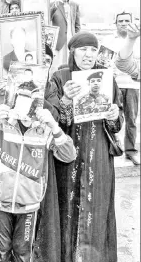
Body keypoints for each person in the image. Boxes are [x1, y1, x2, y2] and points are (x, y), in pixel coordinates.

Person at [0, 92, 75, 262]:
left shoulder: (44, 129)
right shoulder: (2, 125)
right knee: (1, 252)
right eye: (24, 97)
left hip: (29, 203)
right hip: (0, 201)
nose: (29, 102)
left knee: (23, 252)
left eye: (34, 97)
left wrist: (54, 125)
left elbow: (69, 156)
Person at [48, 31, 123, 262]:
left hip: (98, 154)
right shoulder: (60, 78)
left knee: (97, 210)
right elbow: (51, 117)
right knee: (67, 207)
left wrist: (113, 114)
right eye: (83, 49)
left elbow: (118, 123)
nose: (88, 54)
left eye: (93, 49)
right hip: (68, 155)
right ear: (72, 52)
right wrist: (66, 101)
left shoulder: (108, 79)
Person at [104, 12, 140, 165]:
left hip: (132, 85)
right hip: (114, 84)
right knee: (113, 117)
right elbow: (103, 60)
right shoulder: (108, 40)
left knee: (131, 120)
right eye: (121, 21)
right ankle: (111, 148)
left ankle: (131, 151)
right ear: (116, 23)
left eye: (127, 20)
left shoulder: (137, 40)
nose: (124, 23)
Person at [50, 0, 81, 72]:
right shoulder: (53, 4)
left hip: (71, 39)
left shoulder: (75, 5)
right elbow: (47, 20)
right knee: (57, 64)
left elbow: (77, 24)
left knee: (70, 63)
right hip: (58, 40)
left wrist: (76, 37)